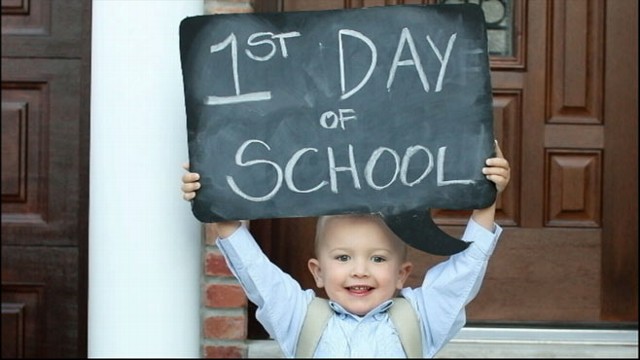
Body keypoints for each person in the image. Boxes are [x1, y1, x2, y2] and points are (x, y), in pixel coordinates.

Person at [181, 143, 510, 358]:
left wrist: (485, 203)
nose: (360, 270)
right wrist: (217, 201)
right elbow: (257, 272)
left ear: (402, 274)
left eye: (378, 258)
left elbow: (462, 273)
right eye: (342, 257)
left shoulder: (420, 318)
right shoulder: (300, 318)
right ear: (318, 272)